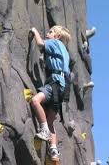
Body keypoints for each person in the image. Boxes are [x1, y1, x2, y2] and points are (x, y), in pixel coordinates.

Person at [30, 25, 71, 161]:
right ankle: (53, 150)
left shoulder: (55, 43)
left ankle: (44, 130)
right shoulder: (64, 50)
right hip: (62, 88)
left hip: (54, 83)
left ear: (57, 36)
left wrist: (35, 31)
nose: (47, 34)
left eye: (50, 32)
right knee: (51, 120)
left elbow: (41, 44)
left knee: (35, 101)